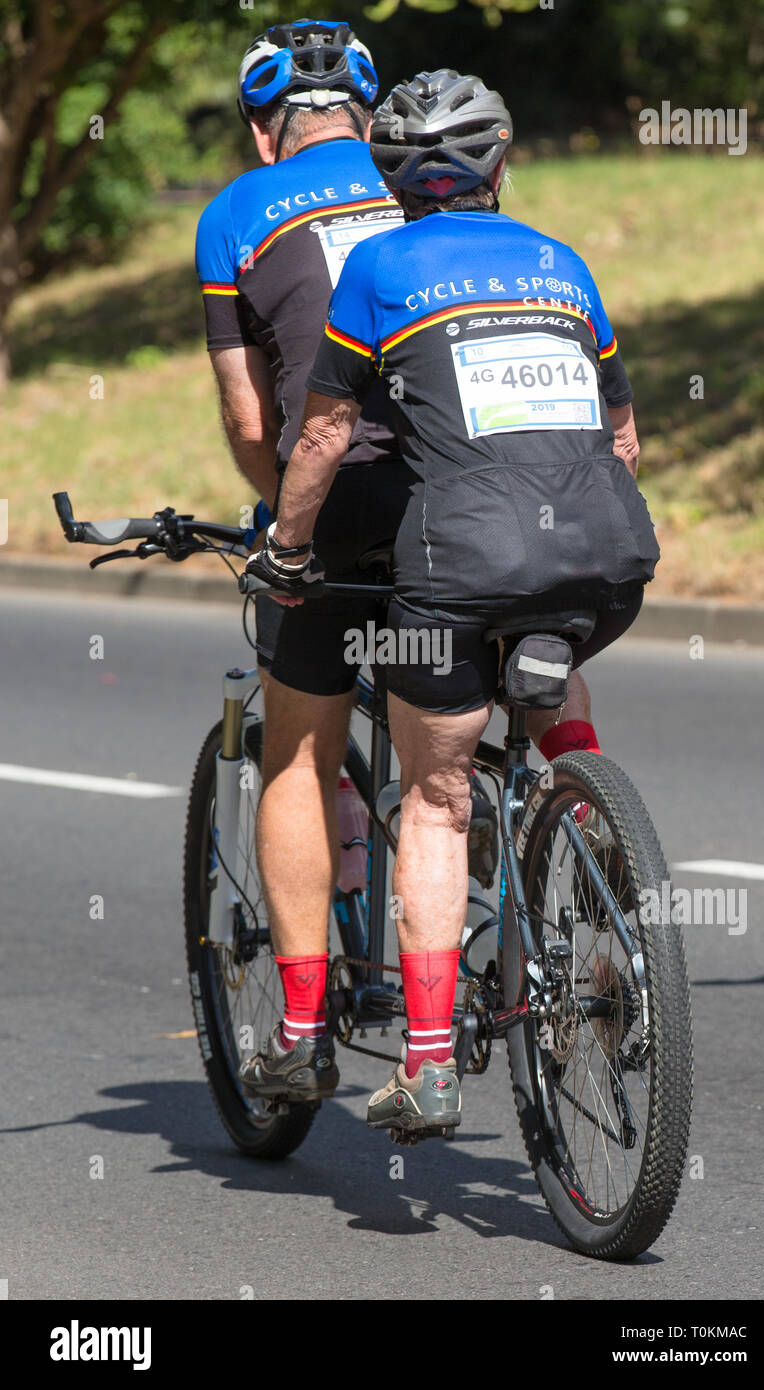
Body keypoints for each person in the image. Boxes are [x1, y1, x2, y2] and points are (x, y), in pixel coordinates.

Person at [247, 69, 659, 1135]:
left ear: (392, 178)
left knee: (436, 799)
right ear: (501, 162)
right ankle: (571, 782)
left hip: (459, 566)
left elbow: (326, 435)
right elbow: (619, 438)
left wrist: (288, 547)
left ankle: (427, 1063)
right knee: (541, 628)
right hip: (609, 559)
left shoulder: (379, 265)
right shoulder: (560, 263)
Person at [196, 28, 497, 1108]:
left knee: (298, 757)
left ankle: (299, 1028)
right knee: (467, 733)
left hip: (338, 502)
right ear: (369, 120)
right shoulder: (421, 183)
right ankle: (565, 806)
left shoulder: (235, 211)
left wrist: (280, 521)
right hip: (474, 491)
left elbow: (247, 411)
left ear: (258, 125)